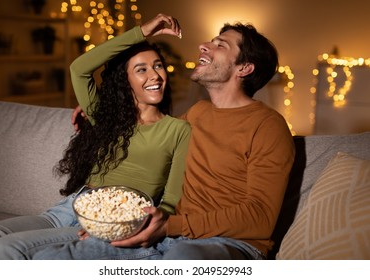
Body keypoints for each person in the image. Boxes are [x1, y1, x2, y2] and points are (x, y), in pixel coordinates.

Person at [31, 13, 295, 260]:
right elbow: (146, 129)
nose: (204, 46)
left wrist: (171, 225)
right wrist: (101, 110)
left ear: (244, 68)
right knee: (51, 259)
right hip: (170, 236)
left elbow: (260, 217)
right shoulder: (197, 114)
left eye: (220, 45)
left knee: (181, 260)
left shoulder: (269, 126)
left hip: (227, 243)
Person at [0, 15, 190, 259]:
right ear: (125, 80)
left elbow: (170, 201)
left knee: (8, 248)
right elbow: (79, 69)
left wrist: (124, 228)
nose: (154, 75)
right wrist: (142, 31)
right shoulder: (107, 117)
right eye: (141, 69)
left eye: (158, 66)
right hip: (72, 206)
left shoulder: (178, 130)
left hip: (115, 219)